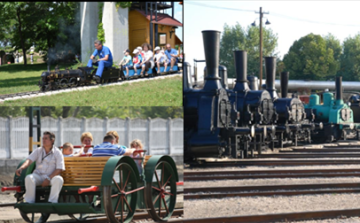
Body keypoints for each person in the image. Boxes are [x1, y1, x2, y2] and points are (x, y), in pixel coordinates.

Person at [15, 131, 65, 223]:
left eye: (46, 138)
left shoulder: (57, 153)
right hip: (38, 176)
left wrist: (49, 178)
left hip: (51, 177)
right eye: (43, 138)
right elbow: (29, 160)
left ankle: (52, 202)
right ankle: (30, 202)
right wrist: (21, 168)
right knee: (29, 177)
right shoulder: (38, 150)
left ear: (52, 140)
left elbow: (60, 169)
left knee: (59, 179)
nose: (43, 140)